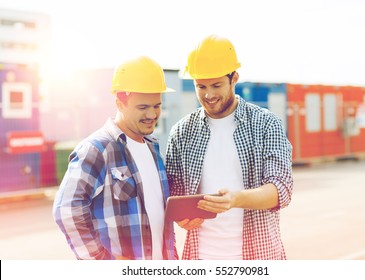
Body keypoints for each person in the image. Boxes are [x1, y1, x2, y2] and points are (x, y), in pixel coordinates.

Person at [165, 35, 293, 260]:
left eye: (216, 85)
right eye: (200, 86)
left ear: (234, 78)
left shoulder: (266, 124)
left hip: (259, 258)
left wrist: (235, 199)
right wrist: (183, 219)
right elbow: (174, 197)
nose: (208, 95)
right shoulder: (181, 133)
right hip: (201, 258)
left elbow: (280, 190)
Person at [53, 56, 177, 260]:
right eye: (143, 107)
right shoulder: (97, 149)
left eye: (156, 106)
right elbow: (66, 210)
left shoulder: (153, 148)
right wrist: (102, 261)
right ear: (120, 103)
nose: (152, 114)